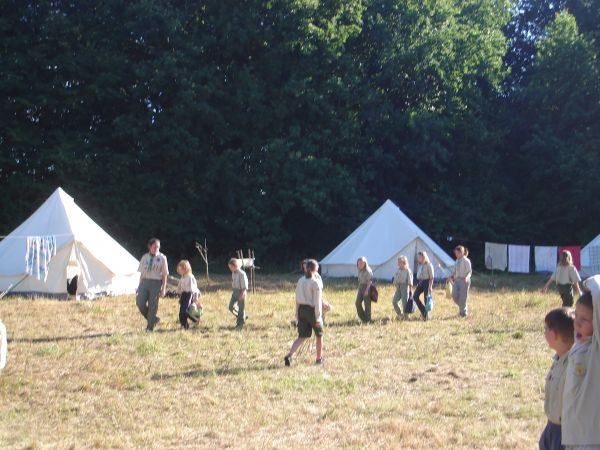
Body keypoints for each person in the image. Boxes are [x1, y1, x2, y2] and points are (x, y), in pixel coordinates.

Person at [561, 276, 600, 449]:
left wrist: (587, 284)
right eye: (576, 315)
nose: (576, 322)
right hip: (573, 433)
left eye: (585, 320)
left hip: (590, 437)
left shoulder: (596, 349)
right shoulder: (579, 345)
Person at [539, 308, 574, 450]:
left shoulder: (573, 364)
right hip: (551, 426)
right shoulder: (558, 359)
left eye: (546, 329)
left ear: (554, 334)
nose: (544, 332)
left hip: (565, 432)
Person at [285, 259, 324, 366]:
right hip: (312, 311)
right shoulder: (316, 283)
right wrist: (318, 317)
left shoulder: (300, 280)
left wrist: (297, 313)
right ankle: (318, 358)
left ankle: (290, 355)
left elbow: (297, 299)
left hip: (301, 310)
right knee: (319, 336)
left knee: (302, 336)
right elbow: (317, 302)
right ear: (315, 269)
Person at [136, 238, 168, 332]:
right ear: (150, 247)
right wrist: (139, 286)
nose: (156, 249)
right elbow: (141, 273)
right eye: (154, 247)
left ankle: (150, 327)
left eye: (158, 247)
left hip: (156, 282)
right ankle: (152, 319)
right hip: (145, 282)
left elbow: (164, 274)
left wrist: (163, 288)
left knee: (153, 305)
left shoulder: (162, 258)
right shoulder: (145, 257)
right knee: (140, 302)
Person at [176, 260, 200, 329]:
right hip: (184, 295)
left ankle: (195, 318)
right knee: (182, 311)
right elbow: (179, 285)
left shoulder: (190, 277)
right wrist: (178, 291)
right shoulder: (182, 277)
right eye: (179, 270)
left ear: (185, 269)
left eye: (181, 270)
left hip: (189, 295)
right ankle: (184, 325)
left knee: (185, 311)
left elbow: (194, 288)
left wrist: (195, 297)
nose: (179, 271)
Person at [449, 245, 472, 318]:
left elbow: (469, 272)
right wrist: (451, 277)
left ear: (461, 253)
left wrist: (467, 278)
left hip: (464, 280)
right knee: (454, 295)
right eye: (455, 253)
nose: (456, 255)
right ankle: (463, 307)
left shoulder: (466, 261)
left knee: (463, 297)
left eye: (457, 253)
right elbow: (455, 271)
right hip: (457, 280)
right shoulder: (456, 261)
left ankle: (463, 314)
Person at [413, 251, 434, 321]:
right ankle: (423, 311)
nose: (418, 258)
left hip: (427, 282)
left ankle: (427, 316)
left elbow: (431, 277)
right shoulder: (420, 265)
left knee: (426, 299)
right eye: (418, 257)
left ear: (423, 257)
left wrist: (430, 286)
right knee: (415, 296)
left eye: (419, 257)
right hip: (421, 282)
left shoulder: (429, 265)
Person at [228, 258, 249, 329]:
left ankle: (240, 324)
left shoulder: (242, 274)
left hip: (241, 292)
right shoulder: (233, 273)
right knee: (231, 307)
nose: (230, 269)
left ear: (235, 266)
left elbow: (245, 286)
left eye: (231, 267)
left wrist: (242, 294)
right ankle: (242, 316)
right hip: (235, 291)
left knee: (241, 308)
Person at [355, 256, 374, 323]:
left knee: (367, 304)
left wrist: (367, 290)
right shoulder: (359, 270)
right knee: (357, 303)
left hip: (367, 287)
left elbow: (370, 281)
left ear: (365, 263)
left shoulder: (368, 271)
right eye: (359, 264)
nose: (360, 265)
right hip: (361, 287)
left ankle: (368, 319)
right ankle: (363, 318)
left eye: (361, 264)